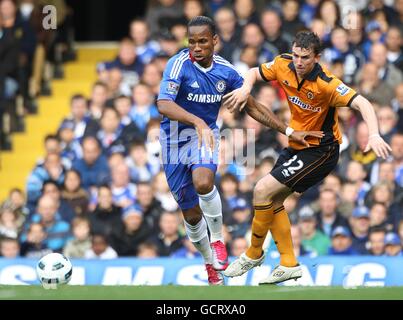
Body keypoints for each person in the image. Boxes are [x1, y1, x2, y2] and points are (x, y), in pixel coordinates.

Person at [157, 17, 321, 285]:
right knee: (190, 213)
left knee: (203, 181)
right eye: (192, 42)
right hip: (173, 140)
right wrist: (196, 121)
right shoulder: (178, 64)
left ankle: (219, 240)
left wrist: (288, 132)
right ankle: (209, 262)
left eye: (202, 41)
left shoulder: (226, 72)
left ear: (215, 41)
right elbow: (163, 103)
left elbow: (253, 106)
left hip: (204, 137)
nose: (196, 47)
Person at [223, 31, 392, 284]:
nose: (299, 62)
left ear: (317, 57)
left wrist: (375, 134)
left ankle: (253, 253)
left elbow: (363, 103)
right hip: (297, 143)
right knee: (273, 200)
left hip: (322, 150)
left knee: (261, 190)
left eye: (305, 57)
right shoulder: (283, 64)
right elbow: (253, 72)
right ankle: (289, 263)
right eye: (296, 55)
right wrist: (246, 89)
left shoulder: (327, 83)